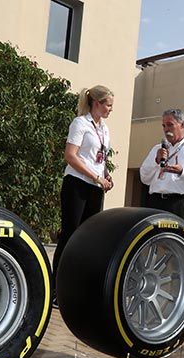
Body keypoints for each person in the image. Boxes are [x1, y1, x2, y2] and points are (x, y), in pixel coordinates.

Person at [52, 85, 114, 291]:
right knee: (70, 234)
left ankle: (78, 285)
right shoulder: (80, 123)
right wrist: (96, 176)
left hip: (95, 186)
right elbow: (71, 155)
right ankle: (57, 287)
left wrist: (105, 175)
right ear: (97, 103)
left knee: (89, 237)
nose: (110, 109)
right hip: (77, 183)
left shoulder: (104, 128)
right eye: (108, 105)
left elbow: (100, 157)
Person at [139, 109, 184, 226]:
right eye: (164, 126)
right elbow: (144, 178)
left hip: (179, 205)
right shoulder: (157, 149)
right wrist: (156, 161)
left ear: (182, 125)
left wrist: (182, 172)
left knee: (174, 242)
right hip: (155, 203)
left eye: (170, 125)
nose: (166, 129)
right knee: (153, 241)